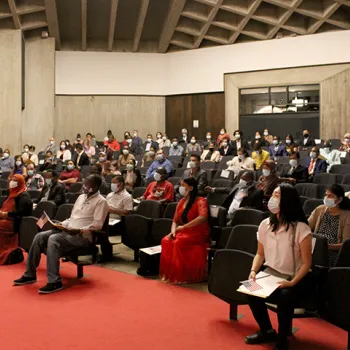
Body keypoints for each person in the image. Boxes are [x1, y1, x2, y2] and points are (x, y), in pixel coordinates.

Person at [14, 175, 110, 293]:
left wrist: (79, 230)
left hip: (82, 237)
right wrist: (61, 224)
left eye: (87, 185)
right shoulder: (80, 197)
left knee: (54, 239)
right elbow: (72, 218)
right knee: (39, 236)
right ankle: (30, 274)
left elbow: (97, 225)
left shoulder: (102, 202)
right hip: (68, 231)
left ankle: (54, 281)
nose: (84, 186)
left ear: (95, 187)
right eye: (84, 183)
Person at [245, 184, 312, 350]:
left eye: (277, 195)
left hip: (294, 278)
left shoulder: (301, 228)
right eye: (273, 195)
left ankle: (282, 338)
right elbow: (260, 254)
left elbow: (307, 263)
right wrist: (253, 271)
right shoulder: (265, 224)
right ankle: (266, 330)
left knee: (285, 297)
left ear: (287, 200)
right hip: (270, 274)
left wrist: (292, 282)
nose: (272, 199)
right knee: (249, 290)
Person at [160, 178, 210, 284]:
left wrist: (184, 227)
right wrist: (173, 232)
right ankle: (171, 273)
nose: (180, 188)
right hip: (183, 231)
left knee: (179, 242)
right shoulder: (182, 201)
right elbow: (175, 220)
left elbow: (202, 217)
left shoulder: (201, 200)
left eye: (183, 185)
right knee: (166, 240)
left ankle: (184, 275)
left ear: (191, 188)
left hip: (197, 232)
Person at [308, 184, 350, 267]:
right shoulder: (319, 209)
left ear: (339, 199)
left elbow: (346, 244)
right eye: (326, 195)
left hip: (333, 252)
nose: (327, 198)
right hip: (315, 248)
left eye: (331, 196)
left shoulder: (347, 216)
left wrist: (325, 247)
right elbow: (306, 227)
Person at [0, 175, 32, 265]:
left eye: (15, 181)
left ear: (20, 183)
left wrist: (5, 214)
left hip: (14, 223)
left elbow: (22, 214)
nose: (11, 182)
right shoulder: (11, 193)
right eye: (11, 180)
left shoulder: (24, 197)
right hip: (5, 219)